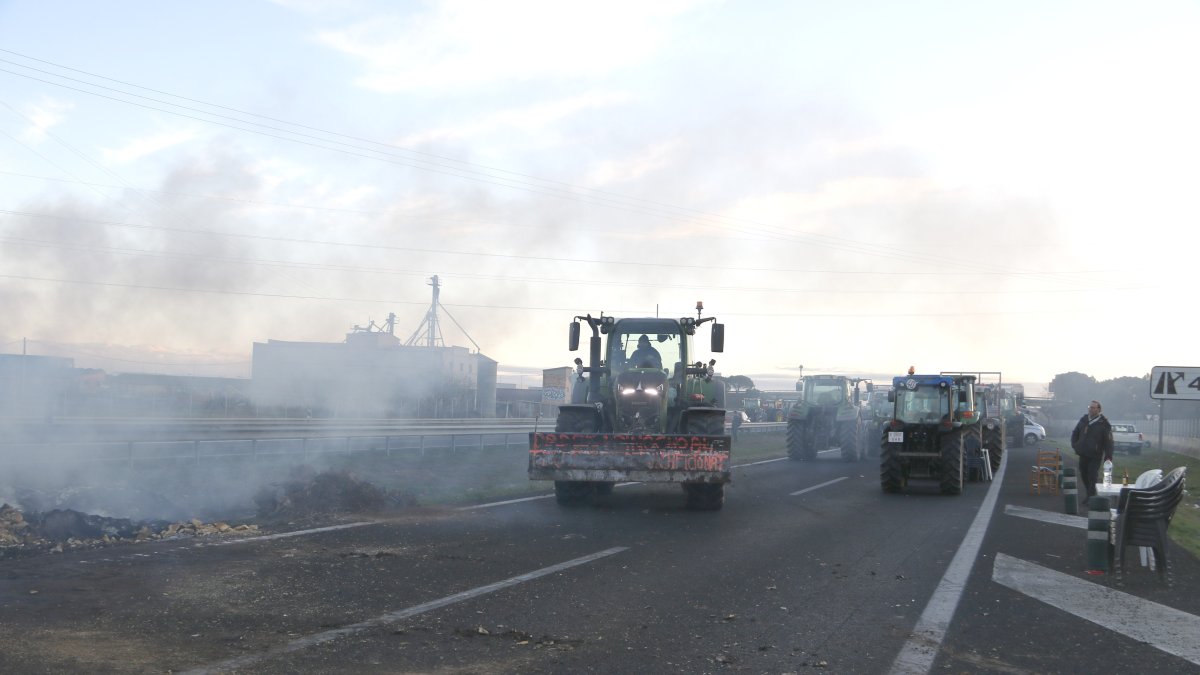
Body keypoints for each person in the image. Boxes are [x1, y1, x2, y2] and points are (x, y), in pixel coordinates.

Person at [1070, 400, 1114, 503]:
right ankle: (1089, 493)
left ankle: (1091, 497)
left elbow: (1109, 442)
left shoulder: (1104, 423)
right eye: (1090, 407)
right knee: (1084, 474)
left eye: (1094, 407)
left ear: (1099, 409)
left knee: (1092, 475)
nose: (1091, 409)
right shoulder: (1084, 419)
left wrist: (1108, 456)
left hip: (1095, 455)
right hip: (1083, 453)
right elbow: (1075, 432)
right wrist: (1075, 445)